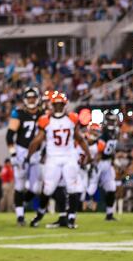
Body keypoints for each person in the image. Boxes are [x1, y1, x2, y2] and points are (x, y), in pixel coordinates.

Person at [27, 92, 91, 229]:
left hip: (67, 156)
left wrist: (29, 155)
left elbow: (37, 141)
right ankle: (41, 215)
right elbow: (80, 138)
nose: (57, 107)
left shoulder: (62, 119)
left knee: (70, 187)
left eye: (59, 104)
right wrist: (88, 154)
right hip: (56, 158)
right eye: (56, 104)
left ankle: (71, 218)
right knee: (50, 189)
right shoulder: (60, 119)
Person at [7, 87, 44, 226]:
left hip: (36, 153)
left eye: (33, 98)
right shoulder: (19, 113)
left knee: (36, 188)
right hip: (22, 151)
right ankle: (20, 216)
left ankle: (21, 202)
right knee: (20, 184)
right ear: (25, 99)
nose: (31, 100)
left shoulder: (43, 114)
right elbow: (9, 135)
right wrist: (13, 154)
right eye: (29, 98)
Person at [87, 110, 121, 221]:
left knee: (111, 187)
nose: (111, 123)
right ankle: (75, 210)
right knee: (90, 189)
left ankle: (109, 214)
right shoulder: (102, 132)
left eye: (113, 121)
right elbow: (98, 148)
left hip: (107, 162)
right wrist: (94, 162)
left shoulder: (115, 132)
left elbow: (112, 149)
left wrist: (113, 160)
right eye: (110, 121)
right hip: (99, 162)